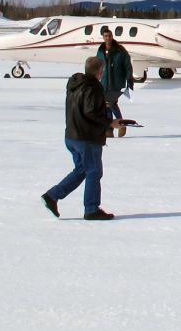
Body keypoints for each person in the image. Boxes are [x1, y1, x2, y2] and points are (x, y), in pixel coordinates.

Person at [41, 56, 122, 221]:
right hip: (86, 138)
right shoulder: (93, 87)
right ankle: (91, 209)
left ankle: (52, 196)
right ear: (100, 71)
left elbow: (85, 108)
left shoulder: (75, 84)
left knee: (82, 170)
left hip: (72, 136)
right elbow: (90, 111)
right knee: (93, 171)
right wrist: (110, 122)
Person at [97, 27, 133, 138]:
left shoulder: (120, 50)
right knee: (106, 106)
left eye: (110, 36)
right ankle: (109, 129)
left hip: (116, 83)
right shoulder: (100, 51)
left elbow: (127, 66)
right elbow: (98, 66)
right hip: (104, 83)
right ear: (103, 37)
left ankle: (121, 124)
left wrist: (129, 80)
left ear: (112, 36)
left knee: (110, 103)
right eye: (106, 36)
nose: (108, 38)